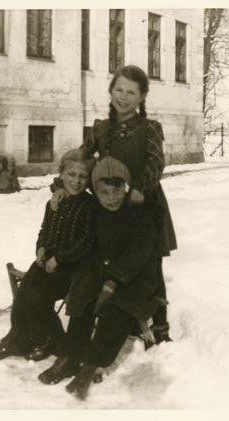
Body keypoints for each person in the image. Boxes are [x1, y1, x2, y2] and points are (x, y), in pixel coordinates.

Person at [51, 65, 176, 344]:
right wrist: (61, 187)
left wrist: (140, 188)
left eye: (131, 92)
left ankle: (160, 325)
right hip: (109, 204)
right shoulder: (101, 128)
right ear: (110, 91)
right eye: (118, 89)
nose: (123, 97)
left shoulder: (150, 128)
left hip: (143, 203)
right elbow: (80, 160)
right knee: (106, 261)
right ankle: (110, 313)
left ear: (142, 96)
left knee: (148, 264)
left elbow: (157, 162)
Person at [39, 157, 164, 400]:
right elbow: (93, 250)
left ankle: (91, 365)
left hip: (135, 279)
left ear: (127, 187)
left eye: (117, 190)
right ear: (95, 192)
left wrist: (114, 281)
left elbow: (137, 255)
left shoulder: (141, 216)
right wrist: (84, 277)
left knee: (114, 313)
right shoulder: (98, 214)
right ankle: (70, 357)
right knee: (82, 298)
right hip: (106, 273)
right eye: (103, 191)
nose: (111, 197)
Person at [0, 149, 95, 362]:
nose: (76, 181)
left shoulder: (90, 207)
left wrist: (59, 259)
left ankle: (48, 340)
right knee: (23, 295)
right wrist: (42, 248)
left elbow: (86, 243)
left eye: (83, 176)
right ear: (61, 174)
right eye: (71, 174)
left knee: (38, 299)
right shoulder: (54, 202)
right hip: (48, 261)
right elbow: (45, 230)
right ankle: (17, 341)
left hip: (71, 268)